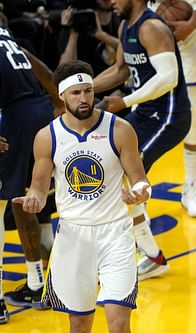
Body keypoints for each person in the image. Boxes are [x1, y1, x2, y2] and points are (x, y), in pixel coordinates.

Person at [13, 59, 151, 333]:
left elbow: (140, 179)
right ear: (62, 95)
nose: (84, 98)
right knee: (79, 324)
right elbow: (39, 187)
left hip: (115, 234)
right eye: (76, 93)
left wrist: (139, 193)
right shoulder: (47, 137)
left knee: (119, 323)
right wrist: (34, 200)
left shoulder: (119, 129)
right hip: (73, 238)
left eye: (88, 90)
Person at [92, 0, 191, 280]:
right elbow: (121, 70)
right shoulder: (126, 26)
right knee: (113, 164)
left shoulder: (151, 27)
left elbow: (169, 77)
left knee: (129, 170)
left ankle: (151, 256)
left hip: (169, 116)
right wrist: (82, 87)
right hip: (144, 112)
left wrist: (124, 101)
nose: (109, 1)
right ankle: (141, 242)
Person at [0, 19, 55, 319]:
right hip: (39, 110)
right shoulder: (10, 40)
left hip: (15, 118)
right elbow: (46, 74)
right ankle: (37, 283)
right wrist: (57, 106)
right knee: (23, 200)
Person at [149, 0, 196, 218]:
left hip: (186, 27)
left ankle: (191, 186)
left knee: (190, 106)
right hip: (147, 19)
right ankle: (138, 195)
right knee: (145, 110)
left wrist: (194, 20)